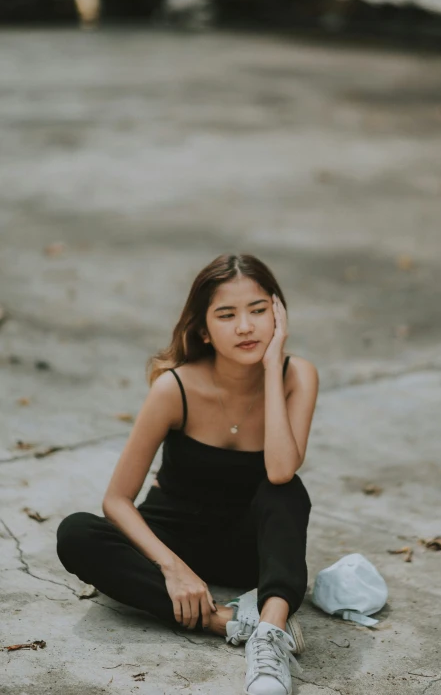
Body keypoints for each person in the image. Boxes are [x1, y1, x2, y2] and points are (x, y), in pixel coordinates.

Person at [57, 253, 319, 695]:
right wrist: (172, 568)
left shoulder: (298, 376)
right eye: (227, 314)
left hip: (247, 552)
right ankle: (228, 622)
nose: (245, 327)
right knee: (76, 533)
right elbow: (116, 500)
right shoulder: (174, 387)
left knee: (288, 491)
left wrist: (273, 368)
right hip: (175, 538)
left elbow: (279, 470)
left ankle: (271, 633)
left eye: (258, 311)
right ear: (202, 329)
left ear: (279, 316)